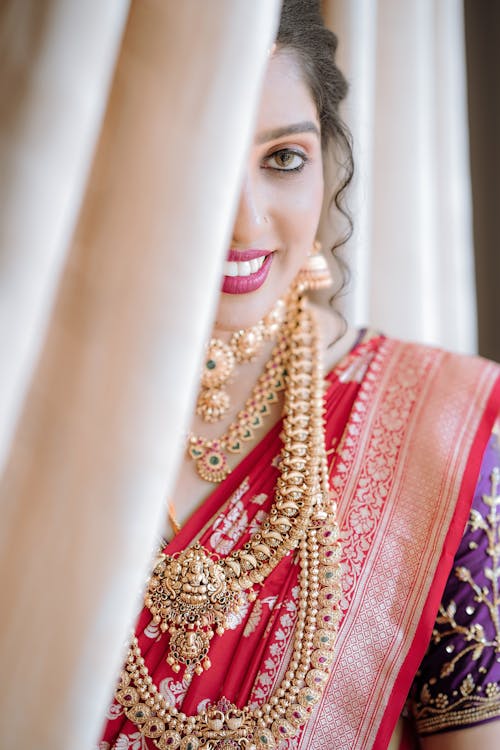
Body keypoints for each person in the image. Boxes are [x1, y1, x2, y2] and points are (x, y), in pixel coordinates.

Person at [98, 1, 500, 748]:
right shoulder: (31, 415)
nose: (247, 222)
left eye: (283, 158)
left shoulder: (441, 423)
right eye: (199, 158)